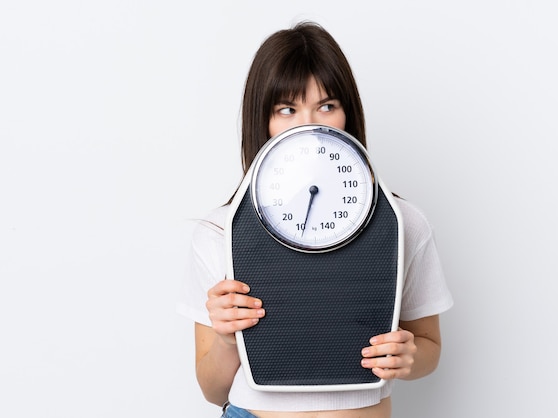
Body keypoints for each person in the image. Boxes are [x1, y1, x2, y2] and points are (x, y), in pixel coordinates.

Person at [177, 21, 453, 418]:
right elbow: (212, 390)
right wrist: (225, 339)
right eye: (287, 109)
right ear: (264, 122)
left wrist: (409, 357)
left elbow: (429, 348)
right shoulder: (220, 231)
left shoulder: (401, 223)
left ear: (348, 114)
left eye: (326, 106)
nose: (308, 124)